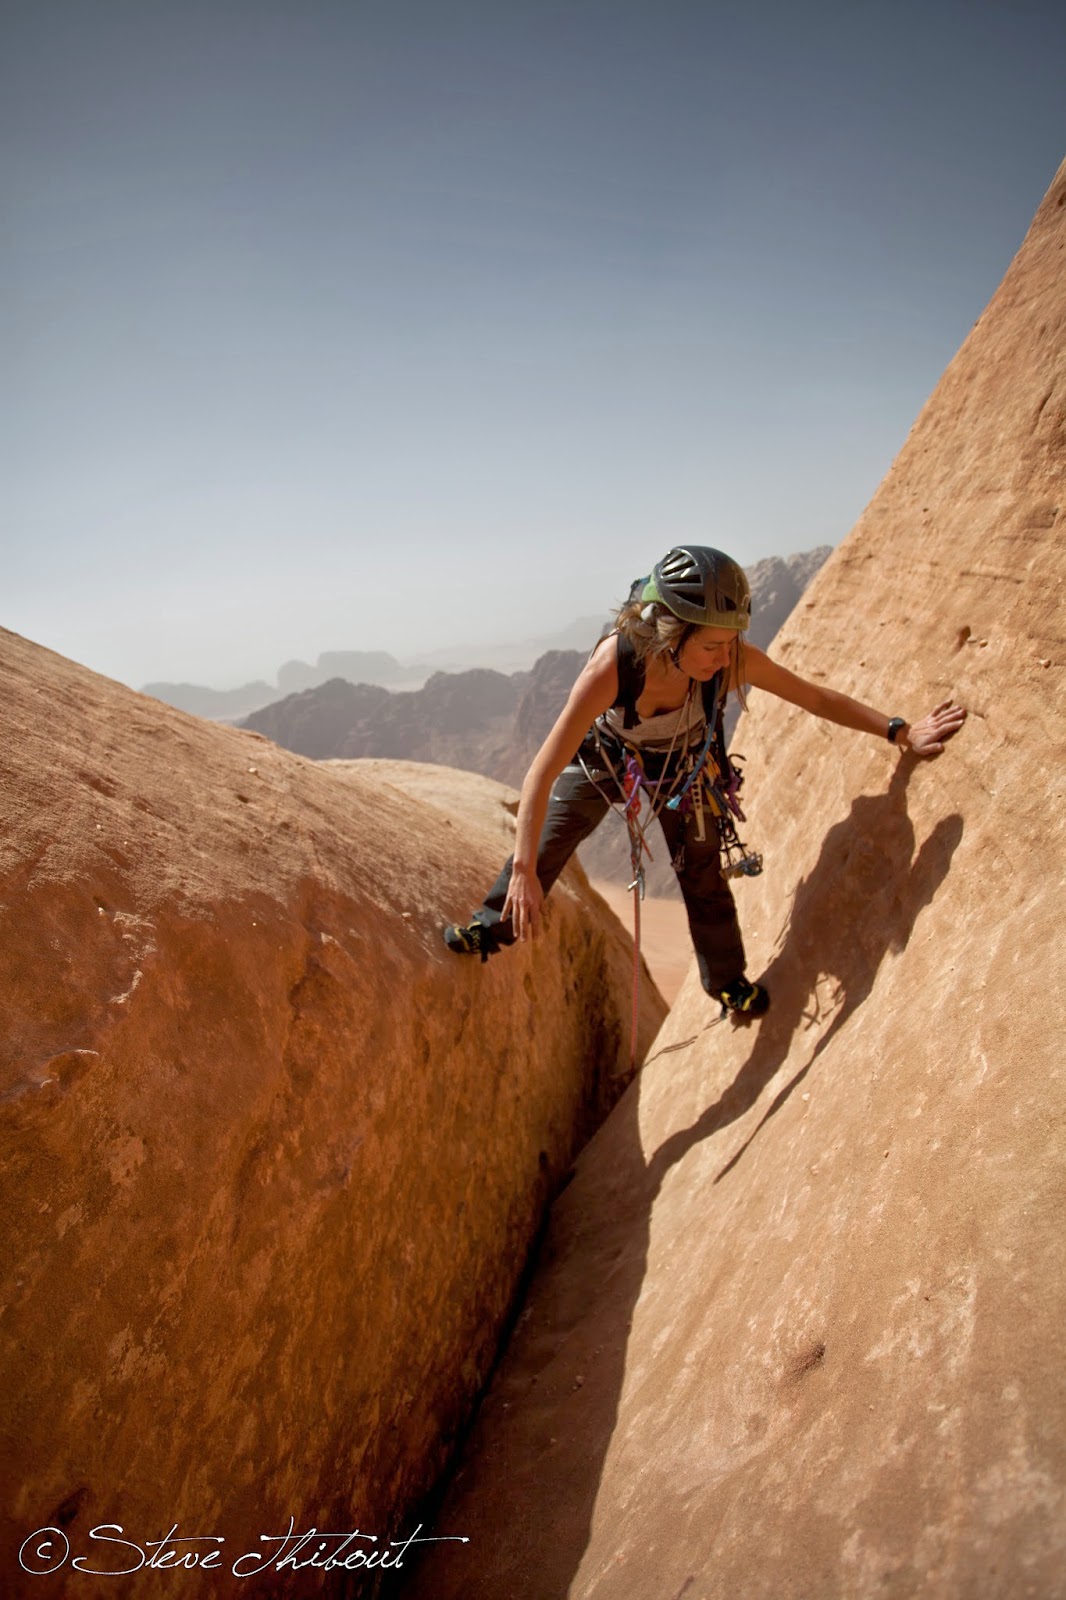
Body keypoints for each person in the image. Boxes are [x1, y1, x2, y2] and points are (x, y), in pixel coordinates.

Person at [443, 546, 966, 1016]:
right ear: (672, 635)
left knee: (701, 872)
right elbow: (542, 769)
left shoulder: (730, 658)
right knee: (550, 839)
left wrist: (900, 731)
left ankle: (727, 982)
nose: (725, 658)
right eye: (712, 646)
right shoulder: (615, 667)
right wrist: (523, 870)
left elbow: (817, 698)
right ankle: (489, 931)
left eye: (729, 643)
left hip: (681, 763)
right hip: (608, 755)